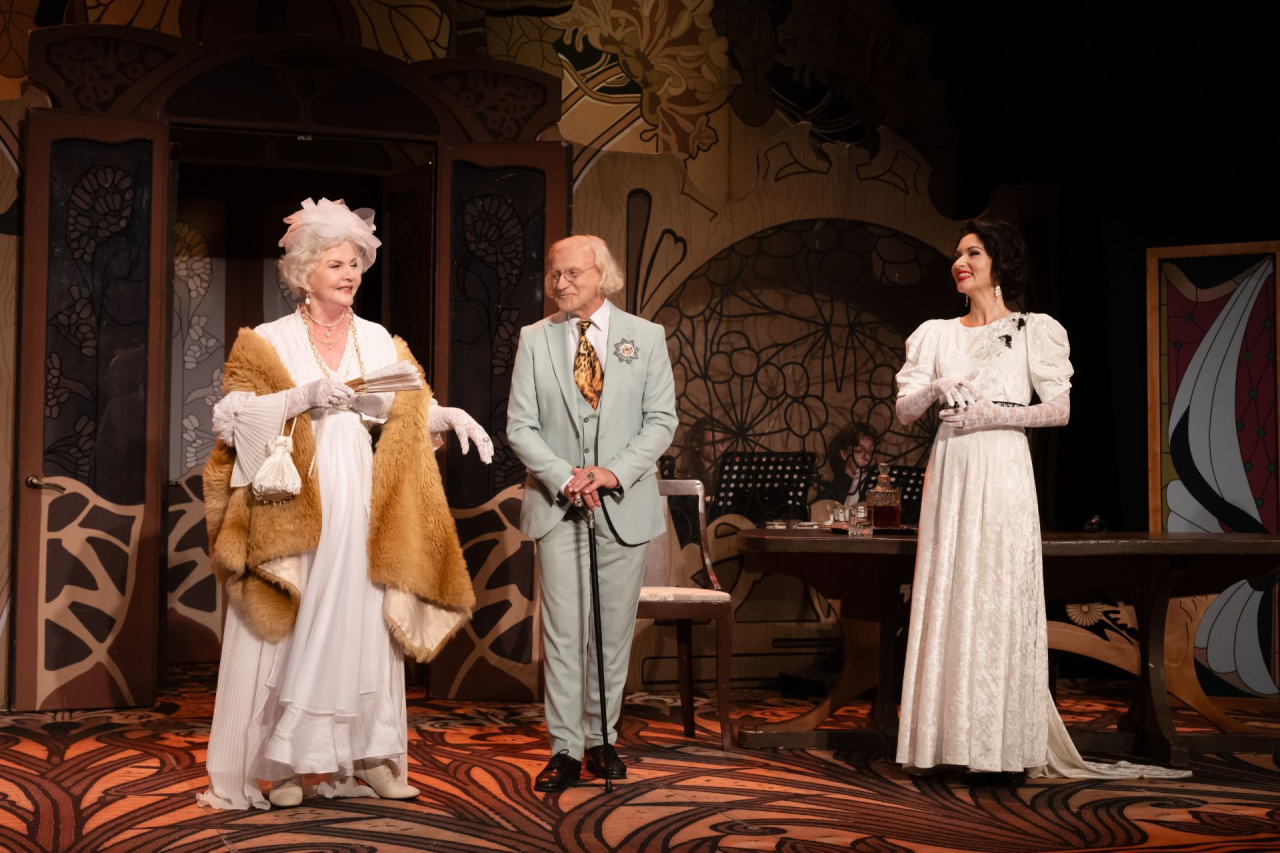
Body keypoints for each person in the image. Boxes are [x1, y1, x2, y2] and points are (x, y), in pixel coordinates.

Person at [199, 198, 493, 810]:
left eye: (355, 264)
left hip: (361, 492)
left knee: (362, 622)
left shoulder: (376, 337)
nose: (350, 274)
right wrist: (299, 397)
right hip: (293, 501)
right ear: (304, 272)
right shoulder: (269, 339)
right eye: (336, 264)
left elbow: (403, 409)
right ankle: (281, 763)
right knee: (298, 621)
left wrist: (448, 415)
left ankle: (370, 755)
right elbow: (228, 419)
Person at [894, 219, 1188, 782]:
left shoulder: (1035, 330)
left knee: (998, 592)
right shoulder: (936, 333)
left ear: (1000, 263)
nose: (960, 262)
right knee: (950, 588)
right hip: (952, 468)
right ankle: (942, 742)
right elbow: (906, 410)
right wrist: (934, 388)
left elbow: (1060, 409)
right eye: (957, 254)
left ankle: (999, 746)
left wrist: (995, 414)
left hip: (1003, 465)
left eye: (973, 253)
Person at [507, 234, 678, 792]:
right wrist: (566, 476)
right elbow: (520, 427)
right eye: (554, 274)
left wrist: (612, 472)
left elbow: (661, 420)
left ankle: (602, 739)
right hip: (558, 505)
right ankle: (564, 748)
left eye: (573, 274)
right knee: (563, 633)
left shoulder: (645, 337)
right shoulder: (535, 338)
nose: (560, 284)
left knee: (612, 633)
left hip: (621, 503)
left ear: (602, 275)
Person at [814, 422, 877, 505]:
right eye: (859, 451)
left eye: (871, 451)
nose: (867, 457)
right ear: (844, 454)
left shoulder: (879, 487)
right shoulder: (831, 494)